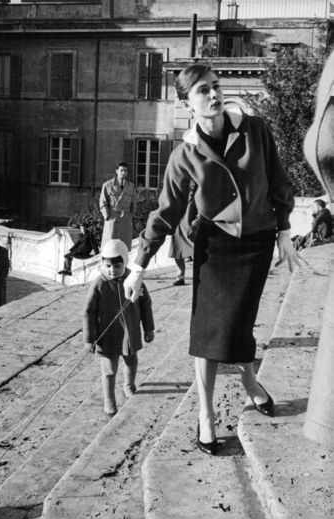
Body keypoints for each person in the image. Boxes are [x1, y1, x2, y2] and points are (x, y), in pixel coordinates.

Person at [123, 63, 302, 455]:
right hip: (214, 248)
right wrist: (137, 266)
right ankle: (205, 415)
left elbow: (279, 181)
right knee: (207, 333)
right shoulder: (183, 154)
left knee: (240, 323)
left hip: (256, 243)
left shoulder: (256, 129)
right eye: (203, 90)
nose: (214, 94)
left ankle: (250, 383)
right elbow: (165, 213)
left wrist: (285, 230)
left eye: (216, 86)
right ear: (186, 102)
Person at [83, 239, 155, 418]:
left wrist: (149, 329)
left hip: (129, 333)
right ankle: (109, 400)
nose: (112, 270)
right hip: (108, 335)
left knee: (131, 361)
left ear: (124, 261)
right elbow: (88, 312)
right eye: (108, 266)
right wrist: (89, 338)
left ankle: (129, 385)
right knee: (108, 369)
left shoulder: (135, 280)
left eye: (117, 265)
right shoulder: (99, 284)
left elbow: (146, 305)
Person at [99, 161, 137, 251]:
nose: (123, 173)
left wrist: (130, 216)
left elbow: (134, 203)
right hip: (112, 219)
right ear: (116, 171)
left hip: (125, 220)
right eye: (121, 170)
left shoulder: (131, 186)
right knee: (110, 248)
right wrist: (107, 216)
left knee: (124, 248)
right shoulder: (107, 185)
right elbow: (102, 203)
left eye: (125, 171)